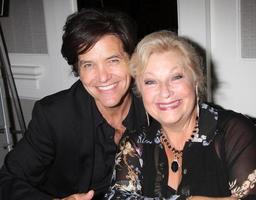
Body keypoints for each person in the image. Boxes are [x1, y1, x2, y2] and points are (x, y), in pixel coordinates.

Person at [104, 30, 256, 199]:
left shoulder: (235, 133)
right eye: (151, 82)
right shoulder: (135, 143)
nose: (165, 92)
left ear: (196, 80)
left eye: (176, 77)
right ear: (140, 91)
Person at [0, 9, 148, 200]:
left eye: (113, 60)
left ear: (132, 60)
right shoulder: (54, 116)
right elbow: (7, 180)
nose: (102, 77)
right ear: (77, 69)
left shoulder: (153, 104)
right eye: (88, 65)